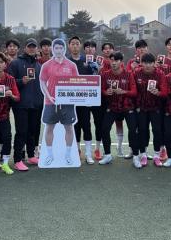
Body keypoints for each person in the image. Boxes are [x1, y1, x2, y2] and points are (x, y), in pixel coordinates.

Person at [39, 38, 79, 166]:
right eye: (56, 48)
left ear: (64, 49)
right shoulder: (46, 65)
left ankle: (68, 155)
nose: (58, 50)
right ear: (52, 49)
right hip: (51, 102)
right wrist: (48, 95)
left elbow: (77, 82)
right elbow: (42, 81)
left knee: (69, 128)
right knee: (49, 127)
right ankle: (50, 155)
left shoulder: (71, 65)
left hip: (67, 103)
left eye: (61, 48)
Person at [7, 39, 43, 171]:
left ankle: (31, 156)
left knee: (32, 132)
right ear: (25, 48)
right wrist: (21, 81)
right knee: (21, 132)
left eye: (34, 47)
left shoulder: (39, 65)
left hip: (36, 105)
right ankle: (17, 160)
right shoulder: (16, 63)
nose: (32, 49)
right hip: (21, 104)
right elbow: (10, 82)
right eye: (30, 47)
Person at [99, 52, 139, 167]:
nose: (114, 63)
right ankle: (107, 155)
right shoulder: (105, 74)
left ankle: (135, 156)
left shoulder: (128, 74)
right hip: (112, 106)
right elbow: (101, 90)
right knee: (104, 128)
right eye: (112, 60)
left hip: (127, 106)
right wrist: (106, 92)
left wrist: (124, 92)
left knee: (133, 130)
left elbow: (134, 92)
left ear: (121, 62)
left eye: (116, 60)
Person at [134, 53, 169, 167]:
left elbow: (165, 92)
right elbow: (134, 91)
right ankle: (143, 154)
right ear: (141, 63)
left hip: (156, 107)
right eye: (145, 63)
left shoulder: (160, 74)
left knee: (157, 130)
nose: (147, 65)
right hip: (141, 107)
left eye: (150, 63)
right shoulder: (136, 73)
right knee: (143, 130)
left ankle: (156, 155)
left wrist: (158, 93)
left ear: (154, 63)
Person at [68, 36, 98, 164]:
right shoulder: (66, 61)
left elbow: (95, 78)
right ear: (69, 46)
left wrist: (96, 70)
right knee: (74, 127)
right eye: (72, 44)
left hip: (85, 101)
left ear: (80, 46)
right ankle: (75, 152)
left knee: (86, 126)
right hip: (70, 101)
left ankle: (88, 154)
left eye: (77, 44)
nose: (75, 46)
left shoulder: (88, 60)